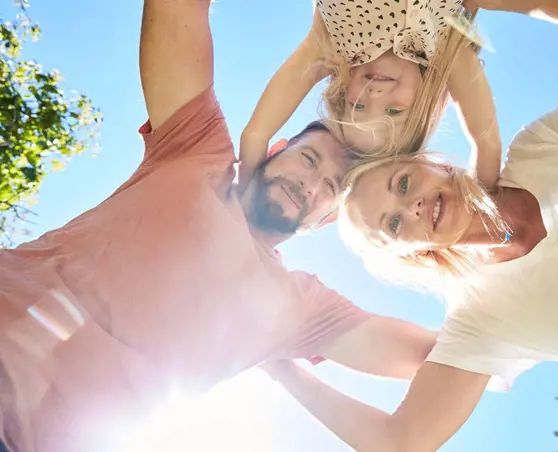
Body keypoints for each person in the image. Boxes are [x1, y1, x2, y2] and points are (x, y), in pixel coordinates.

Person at [0, 1, 437, 451]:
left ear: (327, 218)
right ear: (277, 147)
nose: (310, 185)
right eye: (308, 159)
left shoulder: (299, 306)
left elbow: (435, 356)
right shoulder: (197, 151)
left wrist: (496, 232)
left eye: (330, 188)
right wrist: (317, 49)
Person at [262, 0, 558, 450]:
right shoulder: (481, 320)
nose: (415, 205)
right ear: (414, 253)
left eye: (403, 183)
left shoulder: (544, 148)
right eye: (396, 225)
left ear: (434, 165)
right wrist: (276, 363)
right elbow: (401, 441)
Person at [239, 0, 503, 191]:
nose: (375, 95)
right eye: (393, 111)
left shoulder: (329, 45)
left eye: (359, 105)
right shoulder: (443, 46)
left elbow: (255, 134)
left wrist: (242, 199)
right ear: (423, 107)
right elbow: (487, 145)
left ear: (342, 90)